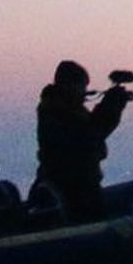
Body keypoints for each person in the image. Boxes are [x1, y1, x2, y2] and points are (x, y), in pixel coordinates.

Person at [32, 58, 126, 224]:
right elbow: (87, 138)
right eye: (82, 86)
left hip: (77, 186)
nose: (84, 91)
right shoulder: (57, 111)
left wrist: (112, 106)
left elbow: (94, 130)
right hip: (71, 188)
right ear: (69, 85)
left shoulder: (67, 109)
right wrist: (111, 106)